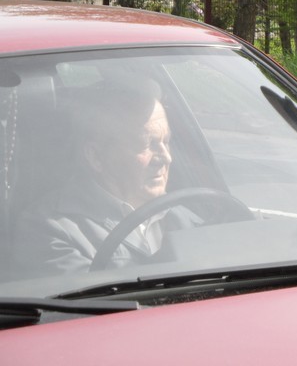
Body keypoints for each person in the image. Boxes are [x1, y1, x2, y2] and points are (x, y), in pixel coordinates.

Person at [13, 77, 198, 274]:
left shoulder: (188, 215)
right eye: (145, 144)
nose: (166, 158)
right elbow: (96, 301)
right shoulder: (48, 229)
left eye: (166, 141)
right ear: (96, 156)